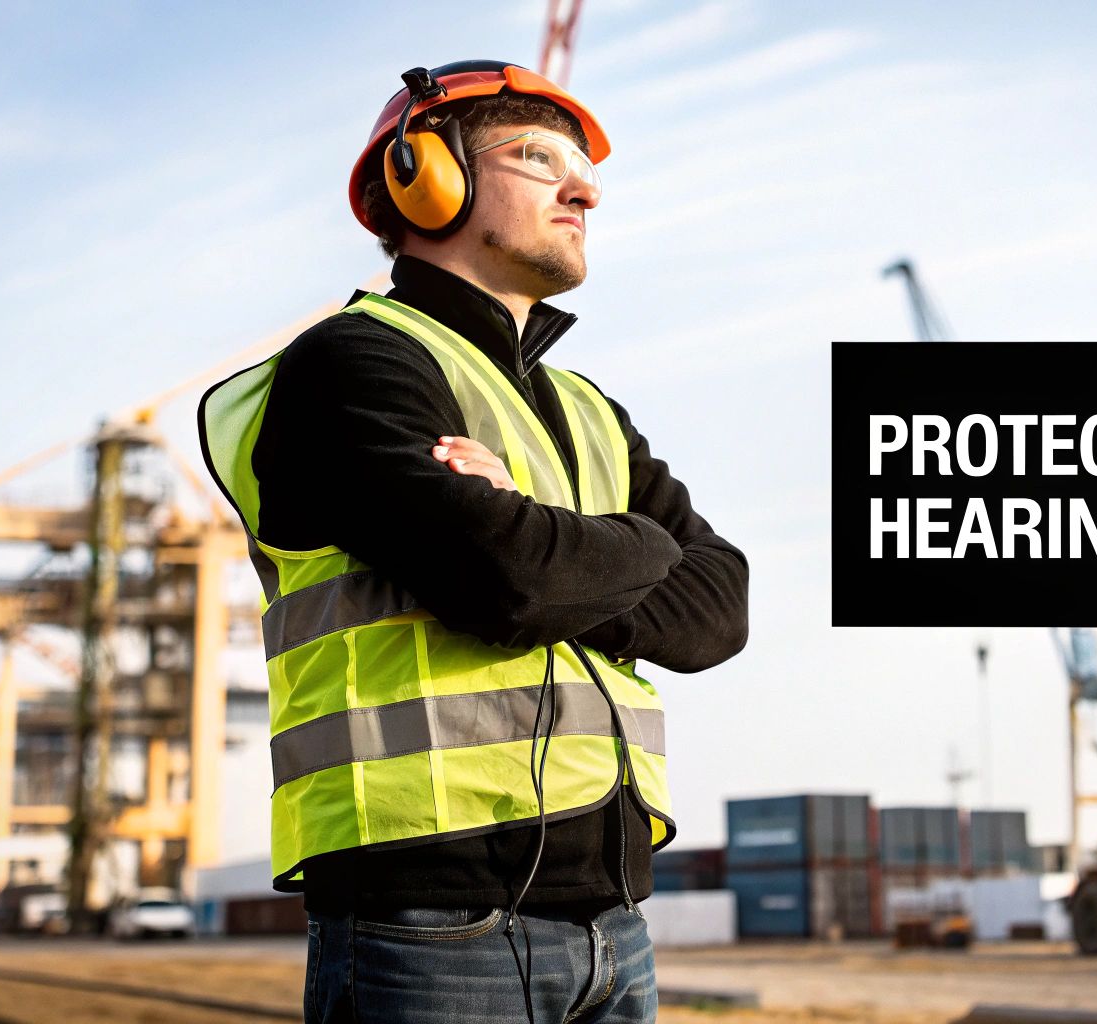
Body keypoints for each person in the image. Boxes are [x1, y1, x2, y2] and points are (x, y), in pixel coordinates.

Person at [197, 60, 749, 1023]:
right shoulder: (353, 365)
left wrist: (568, 541)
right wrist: (632, 547)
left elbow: (718, 611)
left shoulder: (587, 411)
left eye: (583, 168)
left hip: (615, 927)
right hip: (428, 923)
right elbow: (509, 580)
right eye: (538, 157)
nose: (586, 189)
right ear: (427, 177)